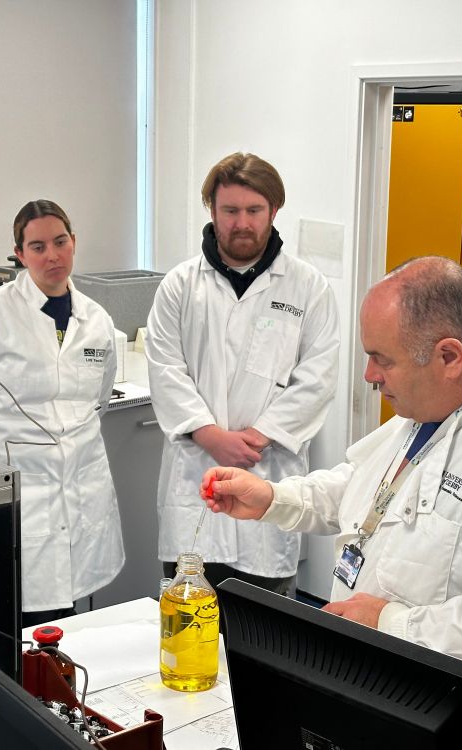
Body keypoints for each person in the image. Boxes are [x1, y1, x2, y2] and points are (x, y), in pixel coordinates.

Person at [202, 255, 462, 715]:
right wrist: (275, 498)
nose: (369, 376)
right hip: (389, 686)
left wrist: (391, 622)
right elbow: (372, 488)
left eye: (382, 360)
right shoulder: (438, 404)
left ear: (449, 356)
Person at [145, 152, 340, 596]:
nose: (242, 223)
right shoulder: (180, 285)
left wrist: (259, 436)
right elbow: (164, 368)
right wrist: (211, 435)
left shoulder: (307, 287)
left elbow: (317, 377)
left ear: (274, 211)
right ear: (212, 211)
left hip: (267, 472)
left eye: (254, 211)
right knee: (188, 625)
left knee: (264, 633)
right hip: (195, 481)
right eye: (230, 211)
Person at [0, 199, 124, 627]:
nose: (52, 256)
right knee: (16, 618)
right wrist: (14, 446)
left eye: (60, 242)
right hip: (18, 489)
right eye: (37, 246)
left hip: (82, 486)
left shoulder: (96, 320)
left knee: (70, 623)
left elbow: (99, 397)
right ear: (20, 255)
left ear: (74, 243)